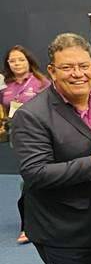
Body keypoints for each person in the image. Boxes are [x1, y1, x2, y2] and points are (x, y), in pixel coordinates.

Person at [11, 33, 91, 264]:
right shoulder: (31, 116)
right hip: (64, 231)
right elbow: (35, 173)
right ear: (52, 71)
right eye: (67, 67)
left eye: (84, 66)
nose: (78, 74)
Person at [2, 45, 50, 245]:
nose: (16, 64)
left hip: (41, 137)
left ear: (28, 61)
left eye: (20, 60)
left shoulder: (41, 82)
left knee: (31, 180)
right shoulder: (5, 85)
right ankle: (31, 225)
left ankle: (31, 225)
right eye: (12, 61)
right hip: (18, 138)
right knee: (29, 179)